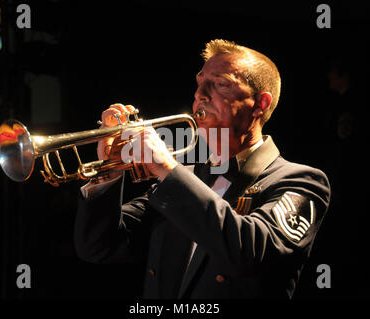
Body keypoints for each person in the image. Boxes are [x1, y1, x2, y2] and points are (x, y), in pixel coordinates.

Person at [74, 39, 331, 299]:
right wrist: (109, 168)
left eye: (220, 84)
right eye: (200, 83)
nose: (200, 94)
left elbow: (248, 253)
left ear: (260, 104)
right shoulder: (186, 177)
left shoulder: (301, 181)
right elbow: (98, 247)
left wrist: (167, 169)